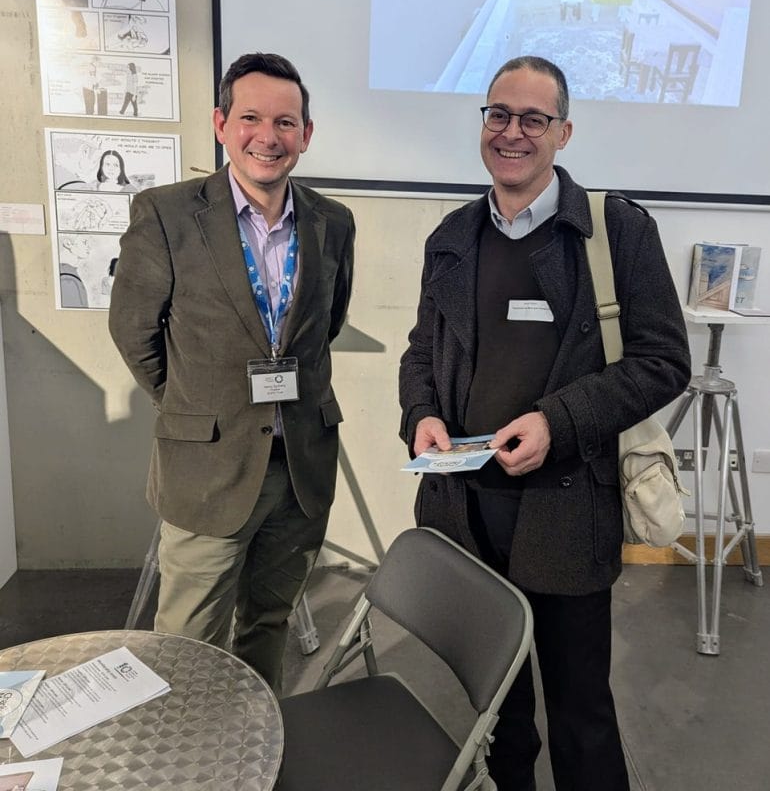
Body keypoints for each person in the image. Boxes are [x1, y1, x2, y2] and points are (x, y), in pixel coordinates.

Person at [399, 55, 690, 791]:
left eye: (533, 118)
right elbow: (421, 351)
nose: (512, 132)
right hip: (467, 517)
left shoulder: (613, 231)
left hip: (567, 516)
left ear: (564, 131)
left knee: (581, 715)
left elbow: (662, 360)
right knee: (499, 710)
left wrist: (556, 423)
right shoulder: (454, 235)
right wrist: (421, 415)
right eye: (499, 114)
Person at [108, 51, 355, 691]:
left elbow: (323, 329)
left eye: (285, 122)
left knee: (267, 626)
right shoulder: (166, 214)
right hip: (207, 470)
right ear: (221, 124)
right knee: (187, 645)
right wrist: (193, 406)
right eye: (250, 118)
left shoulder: (333, 222)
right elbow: (134, 331)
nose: (267, 137)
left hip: (298, 466)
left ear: (306, 133)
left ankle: (255, 755)